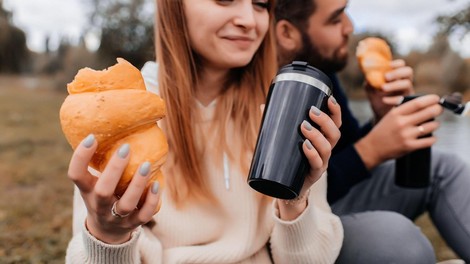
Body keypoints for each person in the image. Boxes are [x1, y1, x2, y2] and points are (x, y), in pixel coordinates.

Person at [65, 0, 345, 263]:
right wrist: (109, 237)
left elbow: (312, 258)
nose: (249, 20)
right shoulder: (125, 109)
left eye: (260, 4)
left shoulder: (287, 106)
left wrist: (296, 199)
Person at [274, 0, 470, 262]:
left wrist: (381, 118)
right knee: (397, 240)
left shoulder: (322, 72)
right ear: (286, 33)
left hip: (333, 201)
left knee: (445, 168)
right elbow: (277, 192)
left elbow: (345, 153)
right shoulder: (269, 84)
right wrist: (371, 151)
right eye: (335, 19)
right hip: (287, 228)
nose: (349, 27)